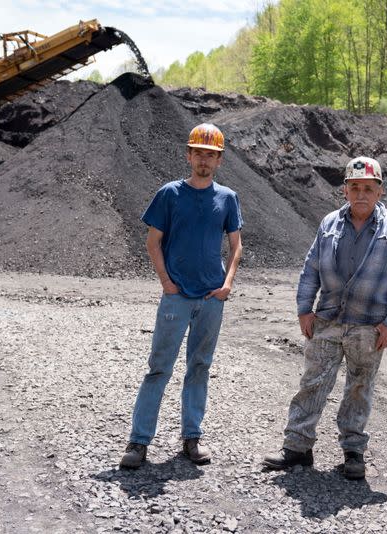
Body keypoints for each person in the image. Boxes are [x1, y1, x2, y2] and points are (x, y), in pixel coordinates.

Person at [263, 156, 387, 480]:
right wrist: (305, 309)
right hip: (328, 320)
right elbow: (311, 268)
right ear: (344, 190)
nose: (361, 194)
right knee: (312, 383)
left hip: (369, 326)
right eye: (354, 187)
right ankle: (297, 448)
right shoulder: (329, 223)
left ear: (379, 191)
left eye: (368, 188)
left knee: (360, 388)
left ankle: (353, 451)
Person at [120, 123, 243, 469]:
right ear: (189, 156)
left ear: (219, 160)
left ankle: (192, 438)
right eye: (199, 153)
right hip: (176, 298)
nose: (204, 161)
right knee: (158, 368)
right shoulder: (169, 194)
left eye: (211, 155)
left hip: (211, 299)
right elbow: (152, 241)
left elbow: (236, 247)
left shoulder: (228, 198)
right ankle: (139, 442)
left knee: (200, 367)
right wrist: (166, 283)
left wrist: (227, 284)